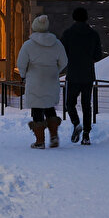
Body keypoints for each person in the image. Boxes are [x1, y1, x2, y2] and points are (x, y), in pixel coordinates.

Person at [16, 14, 68, 149]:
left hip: (35, 80)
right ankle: (54, 136)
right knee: (50, 107)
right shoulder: (57, 44)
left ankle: (40, 141)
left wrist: (23, 75)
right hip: (51, 79)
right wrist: (54, 70)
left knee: (37, 109)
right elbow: (64, 61)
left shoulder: (28, 45)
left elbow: (21, 63)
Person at [61, 7, 103, 145]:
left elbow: (62, 54)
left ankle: (76, 123)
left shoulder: (68, 34)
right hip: (88, 74)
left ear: (74, 17)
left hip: (73, 74)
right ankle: (86, 134)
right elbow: (98, 55)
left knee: (69, 104)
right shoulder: (93, 34)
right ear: (86, 18)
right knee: (86, 105)